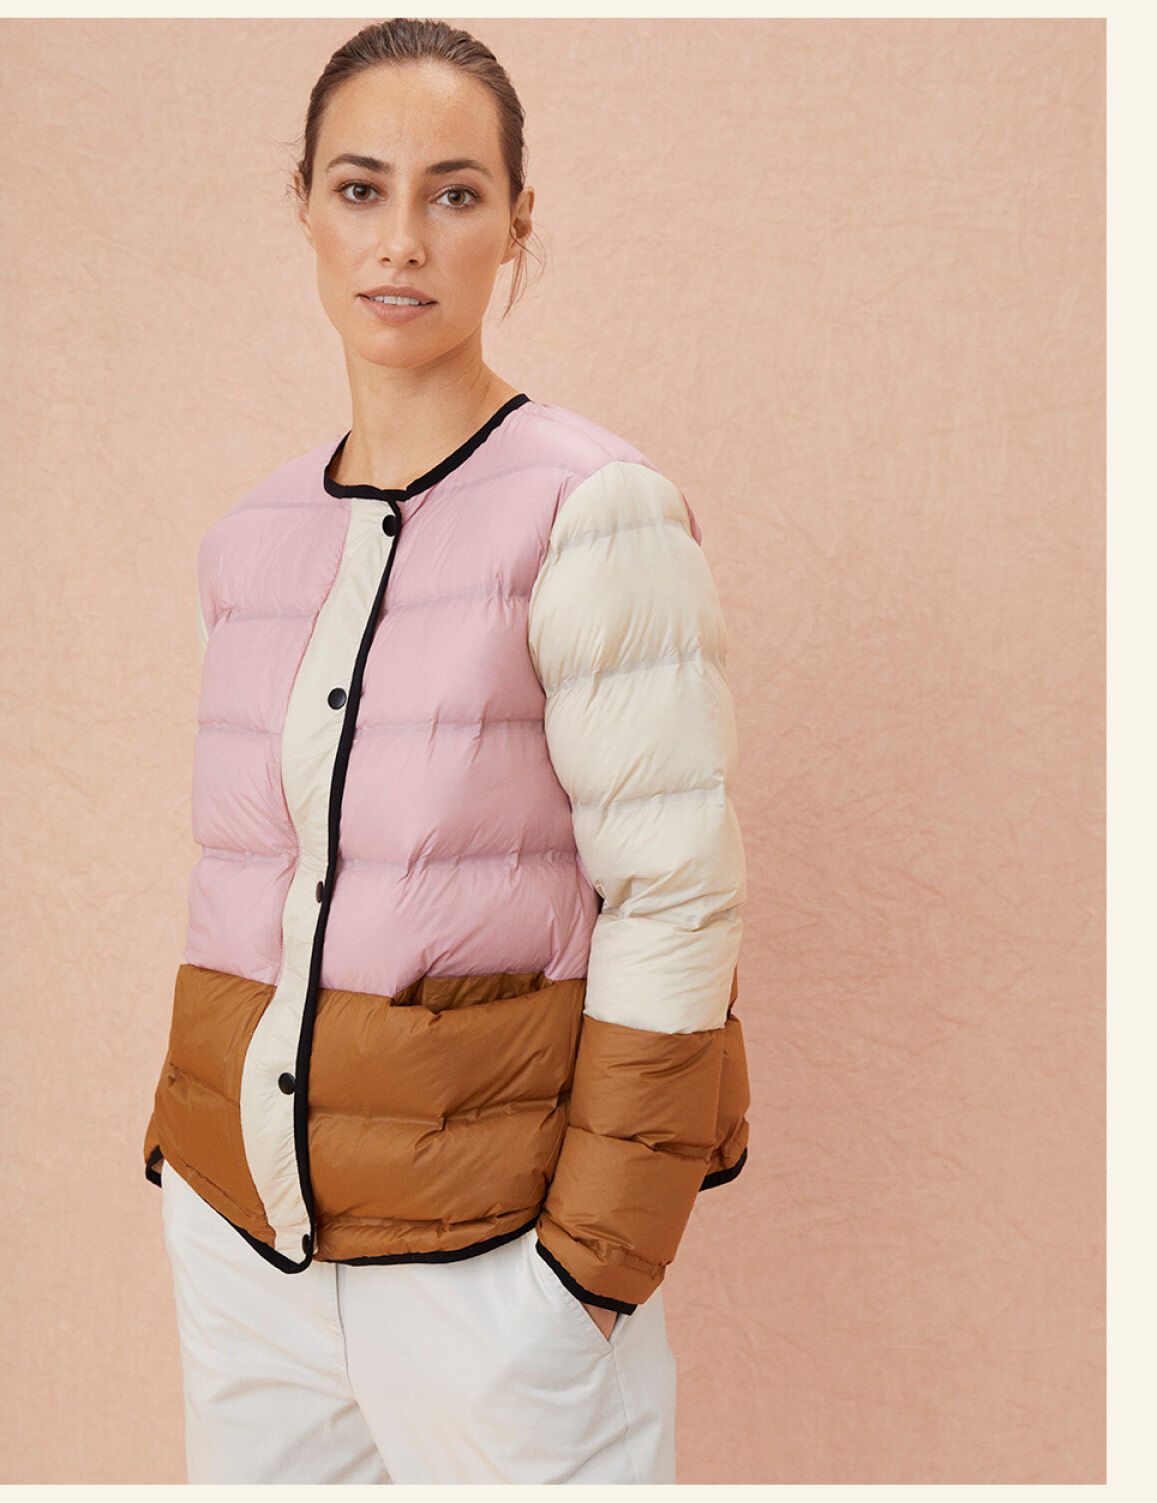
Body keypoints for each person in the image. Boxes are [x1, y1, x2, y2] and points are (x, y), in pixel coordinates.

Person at [141, 16, 751, 1486]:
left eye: (454, 193)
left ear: (516, 224)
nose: (401, 239)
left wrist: (587, 1270)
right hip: (245, 1247)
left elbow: (675, 898)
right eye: (360, 189)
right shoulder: (248, 542)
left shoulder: (595, 511)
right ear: (304, 207)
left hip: (490, 1269)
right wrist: (200, 1204)